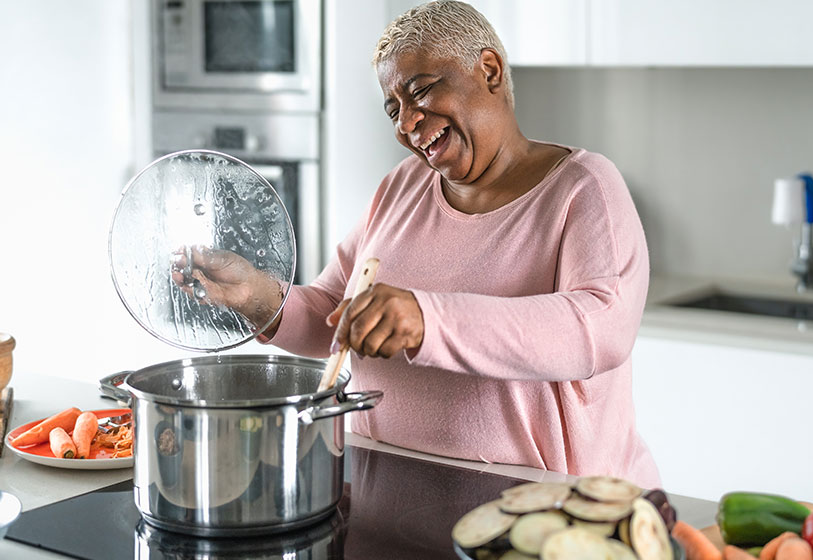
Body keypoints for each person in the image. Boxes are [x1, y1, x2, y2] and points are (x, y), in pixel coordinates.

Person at [174, 0, 660, 488]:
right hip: (385, 490)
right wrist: (259, 298)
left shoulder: (582, 186)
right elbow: (333, 316)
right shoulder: (401, 187)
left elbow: (599, 328)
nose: (406, 124)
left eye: (421, 91)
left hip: (542, 509)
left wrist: (427, 320)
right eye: (394, 110)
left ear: (488, 71)